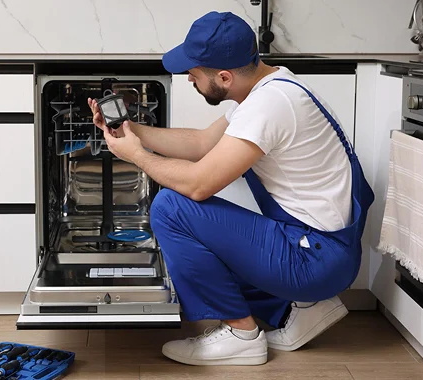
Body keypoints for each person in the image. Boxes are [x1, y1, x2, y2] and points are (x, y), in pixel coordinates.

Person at [87, 11, 374, 366]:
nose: (188, 78)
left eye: (193, 73)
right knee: (206, 239)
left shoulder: (268, 107)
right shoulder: (273, 87)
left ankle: (242, 335)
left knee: (171, 208)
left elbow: (198, 185)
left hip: (313, 259)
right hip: (324, 250)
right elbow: (201, 143)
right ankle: (303, 309)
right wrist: (131, 130)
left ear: (223, 77)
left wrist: (136, 156)